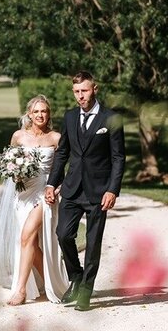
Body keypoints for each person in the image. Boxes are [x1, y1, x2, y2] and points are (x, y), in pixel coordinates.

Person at [44, 71, 125, 312]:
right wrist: (51, 183)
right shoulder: (69, 117)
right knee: (63, 235)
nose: (81, 96)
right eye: (77, 92)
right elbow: (63, 153)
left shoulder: (111, 118)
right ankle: (76, 276)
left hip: (99, 192)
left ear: (95, 89)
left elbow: (119, 158)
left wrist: (113, 189)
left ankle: (86, 292)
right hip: (72, 188)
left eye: (85, 91)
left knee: (92, 243)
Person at [0, 95, 69, 305]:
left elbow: (64, 171)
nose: (41, 115)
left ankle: (20, 290)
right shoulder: (18, 137)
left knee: (25, 236)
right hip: (22, 194)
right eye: (36, 112)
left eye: (44, 111)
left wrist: (57, 189)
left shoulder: (56, 138)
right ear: (29, 114)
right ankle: (56, 284)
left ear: (48, 114)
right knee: (30, 242)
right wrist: (16, 172)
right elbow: (9, 164)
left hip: (44, 193)